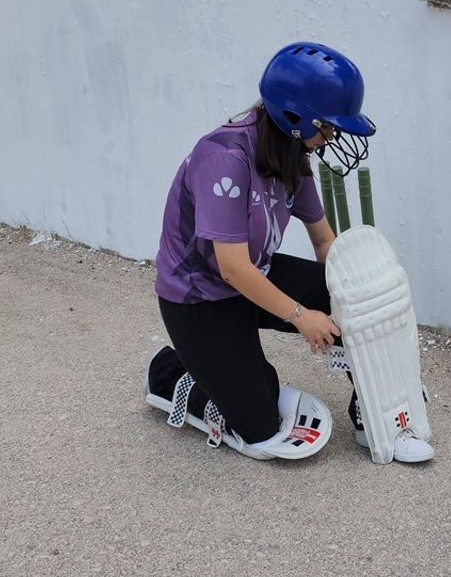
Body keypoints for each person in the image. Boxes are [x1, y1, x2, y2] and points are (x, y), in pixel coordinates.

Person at [143, 41, 375, 461]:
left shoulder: (292, 156)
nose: (333, 136)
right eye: (328, 126)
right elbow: (232, 268)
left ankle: (368, 406)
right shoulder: (224, 157)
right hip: (200, 298)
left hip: (254, 274)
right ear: (294, 117)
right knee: (259, 431)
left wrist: (350, 300)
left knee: (348, 299)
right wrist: (304, 317)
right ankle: (172, 372)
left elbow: (324, 240)